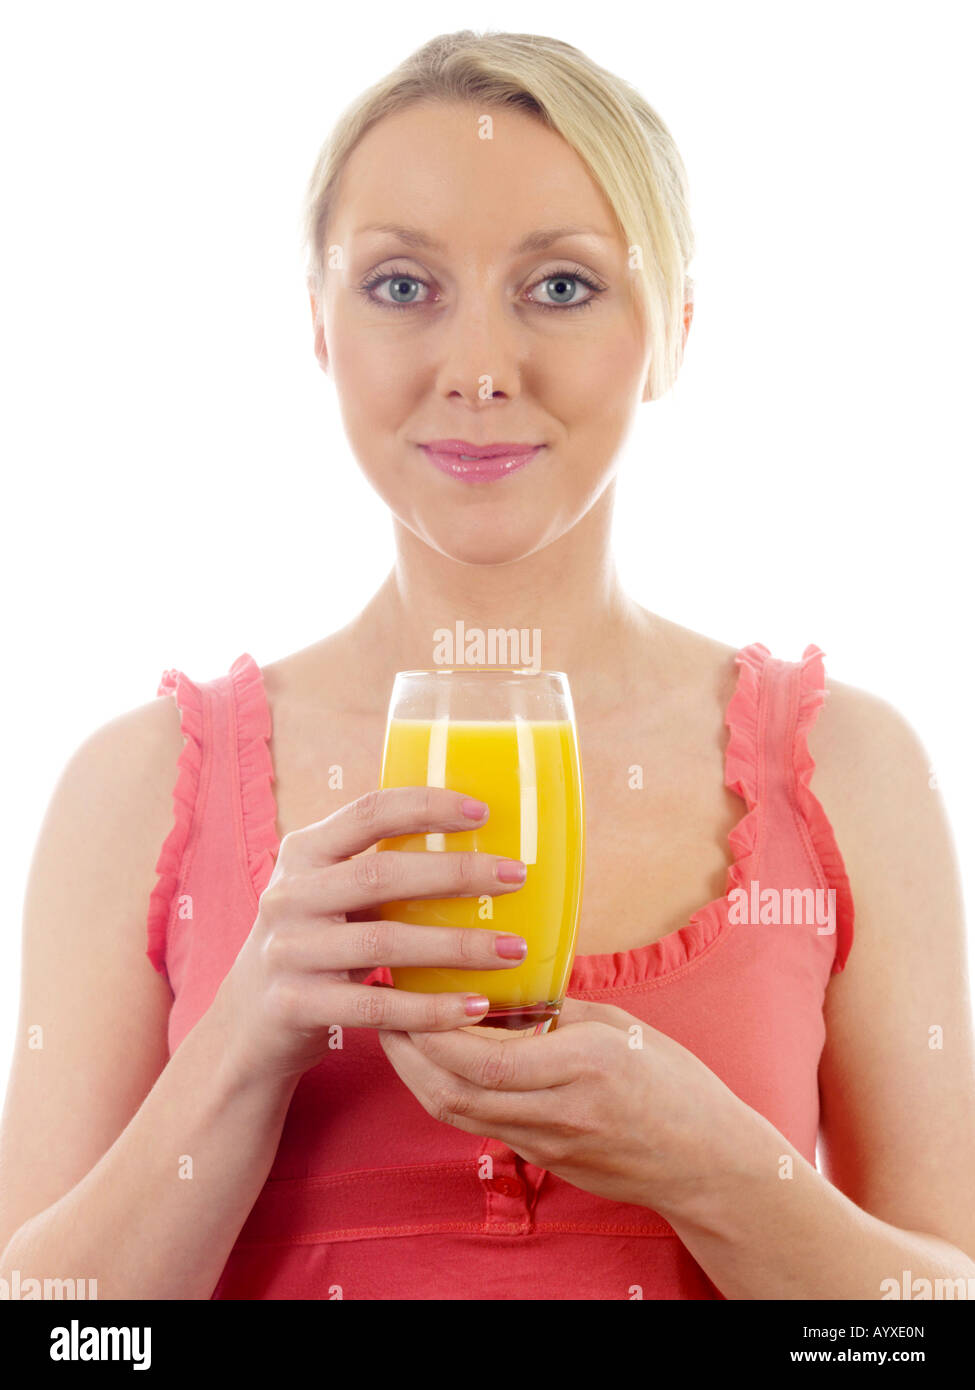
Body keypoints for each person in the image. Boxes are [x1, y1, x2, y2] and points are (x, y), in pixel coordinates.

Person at [2, 29, 973, 1302]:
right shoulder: (137, 789)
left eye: (560, 286)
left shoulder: (848, 769)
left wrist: (719, 1172)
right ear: (318, 327)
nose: (475, 372)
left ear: (672, 328)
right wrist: (245, 1044)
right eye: (402, 286)